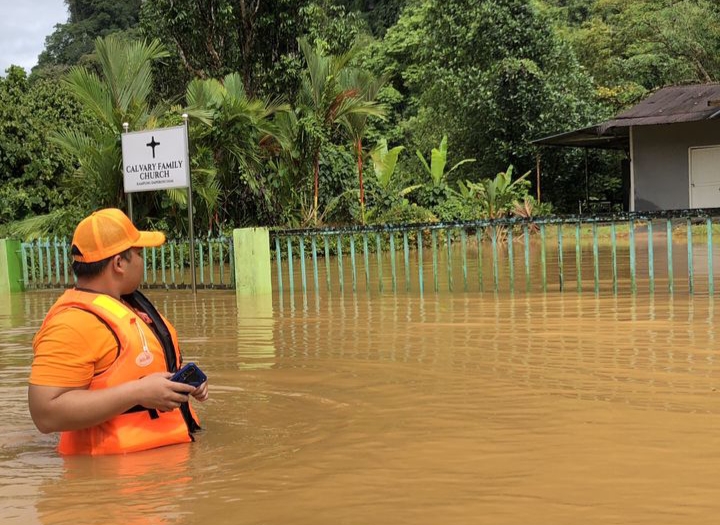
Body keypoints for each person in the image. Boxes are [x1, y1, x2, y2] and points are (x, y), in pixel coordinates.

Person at [28, 208, 209, 455]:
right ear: (119, 263)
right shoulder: (72, 323)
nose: (143, 261)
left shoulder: (128, 304)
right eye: (139, 253)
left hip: (162, 468)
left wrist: (181, 386)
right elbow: (45, 414)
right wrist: (138, 393)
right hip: (114, 480)